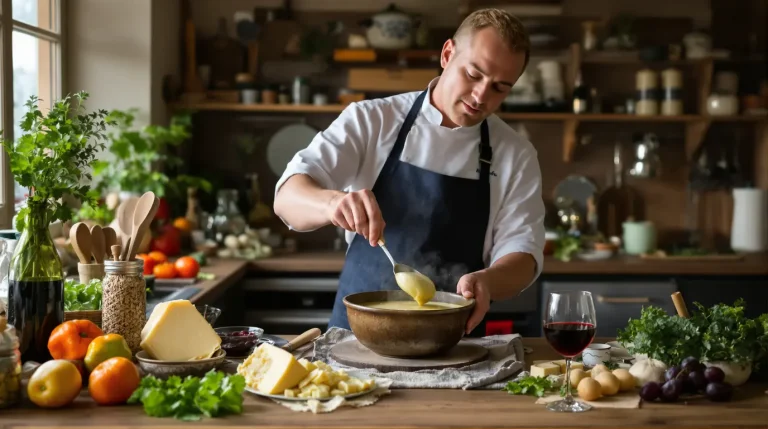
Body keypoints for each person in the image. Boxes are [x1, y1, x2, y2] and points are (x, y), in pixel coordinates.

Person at [273, 8, 545, 337]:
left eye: (500, 88)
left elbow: (524, 254)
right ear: (447, 54)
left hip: (455, 342)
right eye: (473, 74)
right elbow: (288, 197)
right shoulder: (371, 120)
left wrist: (488, 281)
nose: (481, 96)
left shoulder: (515, 153)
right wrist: (332, 203)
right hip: (357, 338)